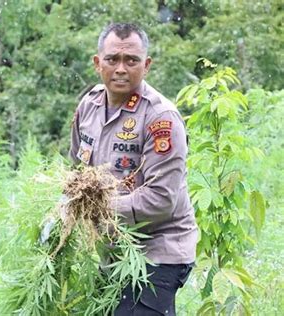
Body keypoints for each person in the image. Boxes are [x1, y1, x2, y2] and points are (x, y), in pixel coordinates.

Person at [69, 23, 198, 315]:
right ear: (97, 62)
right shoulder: (88, 107)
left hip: (159, 252)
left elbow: (161, 200)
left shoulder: (160, 118)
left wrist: (96, 208)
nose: (121, 69)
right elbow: (77, 174)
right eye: (112, 59)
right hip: (113, 252)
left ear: (147, 65)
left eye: (132, 61)